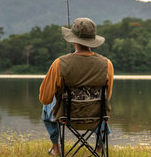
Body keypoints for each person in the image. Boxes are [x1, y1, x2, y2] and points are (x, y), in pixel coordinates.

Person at [39, 17, 114, 156]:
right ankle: (99, 145)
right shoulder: (107, 64)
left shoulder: (59, 63)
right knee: (100, 105)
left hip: (66, 117)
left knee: (46, 108)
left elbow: (45, 98)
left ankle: (56, 147)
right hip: (96, 117)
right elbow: (107, 97)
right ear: (93, 39)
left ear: (73, 39)